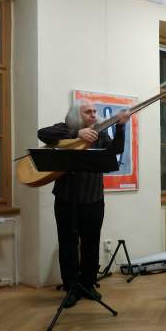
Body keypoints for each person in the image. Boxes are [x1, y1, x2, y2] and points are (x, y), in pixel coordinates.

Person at [38, 100, 131, 308]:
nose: (93, 114)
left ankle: (88, 284)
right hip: (66, 199)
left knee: (91, 243)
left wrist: (120, 126)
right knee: (68, 244)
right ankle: (71, 287)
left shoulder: (99, 133)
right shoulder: (65, 128)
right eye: (88, 112)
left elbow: (116, 149)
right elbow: (42, 133)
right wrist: (76, 134)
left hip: (93, 199)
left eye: (94, 111)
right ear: (76, 115)